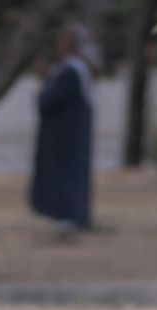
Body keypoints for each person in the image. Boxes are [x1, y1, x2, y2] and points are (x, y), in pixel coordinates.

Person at [29, 23, 100, 238]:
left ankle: (67, 217)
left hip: (64, 138)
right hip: (69, 136)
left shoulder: (70, 71)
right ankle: (70, 215)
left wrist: (44, 83)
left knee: (66, 176)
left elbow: (49, 102)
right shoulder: (76, 70)